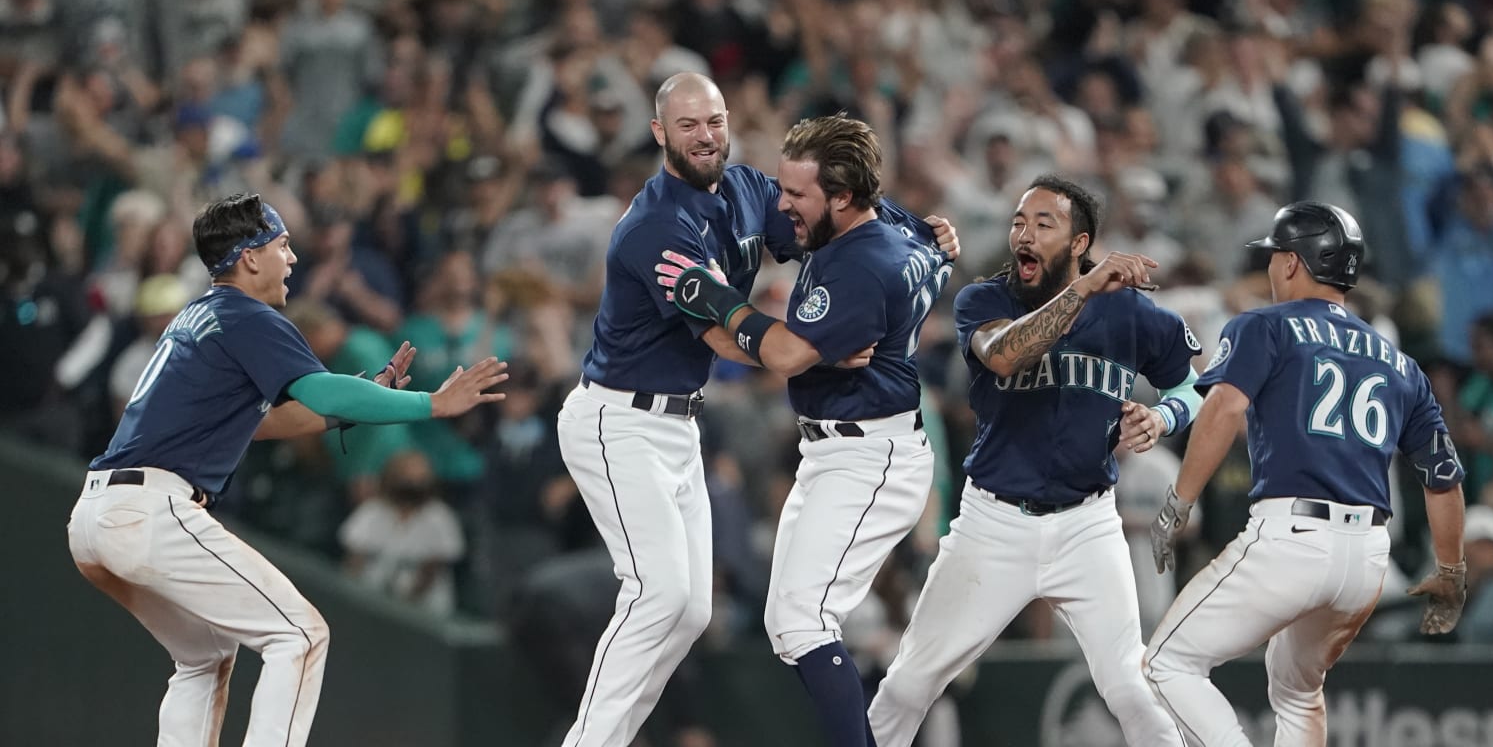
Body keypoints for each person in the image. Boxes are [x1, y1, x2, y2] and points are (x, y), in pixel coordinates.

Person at [555, 74, 954, 747]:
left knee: (687, 612)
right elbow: (724, 335)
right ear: (659, 133)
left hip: (680, 423)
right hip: (615, 421)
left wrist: (921, 234)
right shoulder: (656, 227)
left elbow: (829, 217)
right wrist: (810, 349)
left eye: (713, 120)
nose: (705, 135)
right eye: (687, 125)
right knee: (658, 597)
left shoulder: (742, 187)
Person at [67, 193, 508, 747]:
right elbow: (319, 388)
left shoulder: (199, 315)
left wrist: (361, 403)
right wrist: (431, 404)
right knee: (298, 633)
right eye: (282, 245)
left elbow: (261, 423)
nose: (292, 257)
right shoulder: (246, 314)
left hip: (99, 515)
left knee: (205, 656)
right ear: (250, 257)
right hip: (152, 510)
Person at [860, 175, 1197, 747]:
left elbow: (1197, 388)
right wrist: (1084, 290)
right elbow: (1006, 357)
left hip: (1087, 524)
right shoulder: (985, 299)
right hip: (993, 524)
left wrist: (1165, 417)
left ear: (1079, 242)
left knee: (1132, 689)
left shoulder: (1132, 315)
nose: (1025, 233)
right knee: (908, 685)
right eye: (1020, 220)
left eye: (1045, 223)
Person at [664, 113, 958, 746]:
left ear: (844, 197)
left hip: (869, 454)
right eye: (784, 187)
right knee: (787, 621)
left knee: (801, 623)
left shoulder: (862, 264)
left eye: (798, 194)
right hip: (844, 448)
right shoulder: (890, 224)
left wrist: (712, 298)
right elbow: (933, 244)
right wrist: (939, 245)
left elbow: (788, 356)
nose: (783, 204)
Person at [1143, 202, 1468, 746]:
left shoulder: (1265, 325)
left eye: (1273, 257)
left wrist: (1179, 501)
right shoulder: (1399, 362)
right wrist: (1452, 571)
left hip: (1291, 538)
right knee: (1296, 686)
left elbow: (1223, 408)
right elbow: (1443, 478)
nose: (1268, 269)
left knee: (1167, 663)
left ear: (1293, 263)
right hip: (1367, 555)